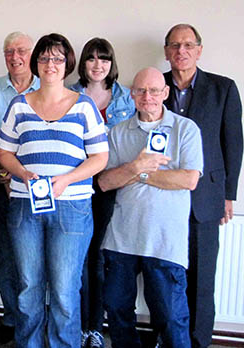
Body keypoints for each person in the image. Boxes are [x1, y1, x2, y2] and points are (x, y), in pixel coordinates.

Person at [0, 33, 109, 348]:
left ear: (67, 64)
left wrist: (67, 179)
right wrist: (21, 172)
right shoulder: (18, 106)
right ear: (37, 63)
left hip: (72, 209)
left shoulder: (84, 106)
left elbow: (101, 157)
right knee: (29, 285)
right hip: (24, 206)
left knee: (64, 288)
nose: (51, 64)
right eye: (45, 58)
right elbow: (4, 153)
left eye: (58, 58)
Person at [98, 67, 203, 348]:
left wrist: (139, 174)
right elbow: (105, 182)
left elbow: (189, 179)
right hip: (122, 241)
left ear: (165, 93)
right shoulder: (118, 133)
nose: (148, 97)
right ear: (132, 94)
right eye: (141, 91)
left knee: (170, 318)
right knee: (118, 312)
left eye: (155, 90)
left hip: (165, 243)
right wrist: (135, 165)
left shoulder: (186, 130)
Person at [162, 23, 243, 348]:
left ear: (199, 49)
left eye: (188, 45)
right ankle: (166, 337)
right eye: (174, 45)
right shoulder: (155, 87)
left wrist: (228, 195)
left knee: (201, 279)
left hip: (206, 198)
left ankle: (197, 341)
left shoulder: (223, 88)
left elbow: (233, 145)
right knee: (165, 276)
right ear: (167, 51)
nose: (181, 51)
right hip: (162, 195)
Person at [69, 37, 136, 348]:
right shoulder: (70, 95)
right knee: (77, 259)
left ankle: (94, 327)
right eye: (92, 58)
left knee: (99, 258)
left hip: (111, 187)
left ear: (112, 64)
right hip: (77, 185)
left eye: (104, 59)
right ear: (83, 63)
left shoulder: (125, 99)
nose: (98, 65)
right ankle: (78, 326)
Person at [0, 31, 40, 345]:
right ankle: (12, 317)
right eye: (9, 51)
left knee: (32, 261)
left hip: (37, 190)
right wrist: (4, 177)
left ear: (34, 54)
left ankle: (35, 321)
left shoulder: (50, 88)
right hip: (0, 187)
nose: (15, 57)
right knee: (3, 260)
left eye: (21, 50)